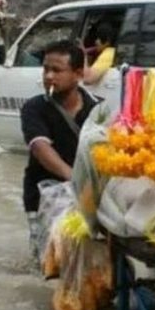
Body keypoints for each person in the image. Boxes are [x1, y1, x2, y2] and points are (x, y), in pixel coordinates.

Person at [20, 39, 100, 261]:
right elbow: (40, 148)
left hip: (85, 198)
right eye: (45, 69)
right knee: (48, 261)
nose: (48, 76)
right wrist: (75, 179)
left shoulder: (98, 109)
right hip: (42, 196)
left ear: (77, 74)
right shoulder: (35, 108)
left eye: (56, 70)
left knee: (84, 257)